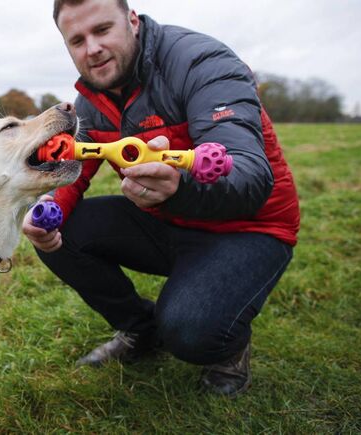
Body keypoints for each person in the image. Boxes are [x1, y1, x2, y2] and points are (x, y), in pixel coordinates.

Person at [22, 0, 300, 397]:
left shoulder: (203, 63)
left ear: (132, 21)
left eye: (102, 30)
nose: (92, 49)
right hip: (168, 217)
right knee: (61, 230)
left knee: (190, 331)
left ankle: (228, 351)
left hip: (249, 226)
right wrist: (47, 210)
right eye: (77, 40)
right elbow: (74, 171)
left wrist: (180, 188)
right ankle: (141, 331)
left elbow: (251, 177)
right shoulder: (92, 101)